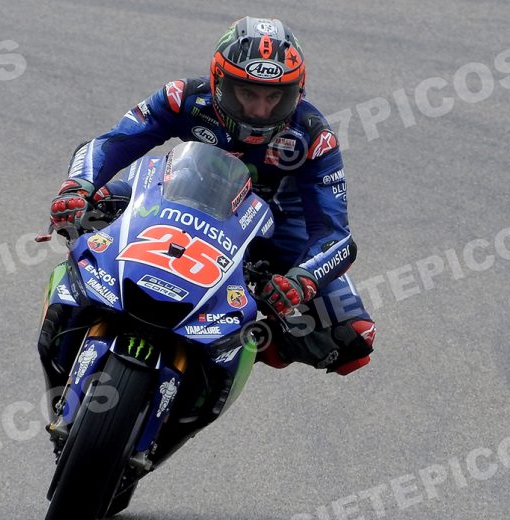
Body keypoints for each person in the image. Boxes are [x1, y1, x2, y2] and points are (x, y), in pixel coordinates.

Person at [48, 16, 376, 375]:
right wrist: (78, 186)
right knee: (93, 205)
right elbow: (110, 143)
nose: (260, 110)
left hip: (276, 232)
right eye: (247, 93)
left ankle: (240, 345)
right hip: (180, 198)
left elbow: (336, 236)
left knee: (354, 338)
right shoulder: (182, 98)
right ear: (220, 83)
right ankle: (75, 309)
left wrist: (303, 279)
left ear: (297, 92)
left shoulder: (314, 136)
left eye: (274, 97)